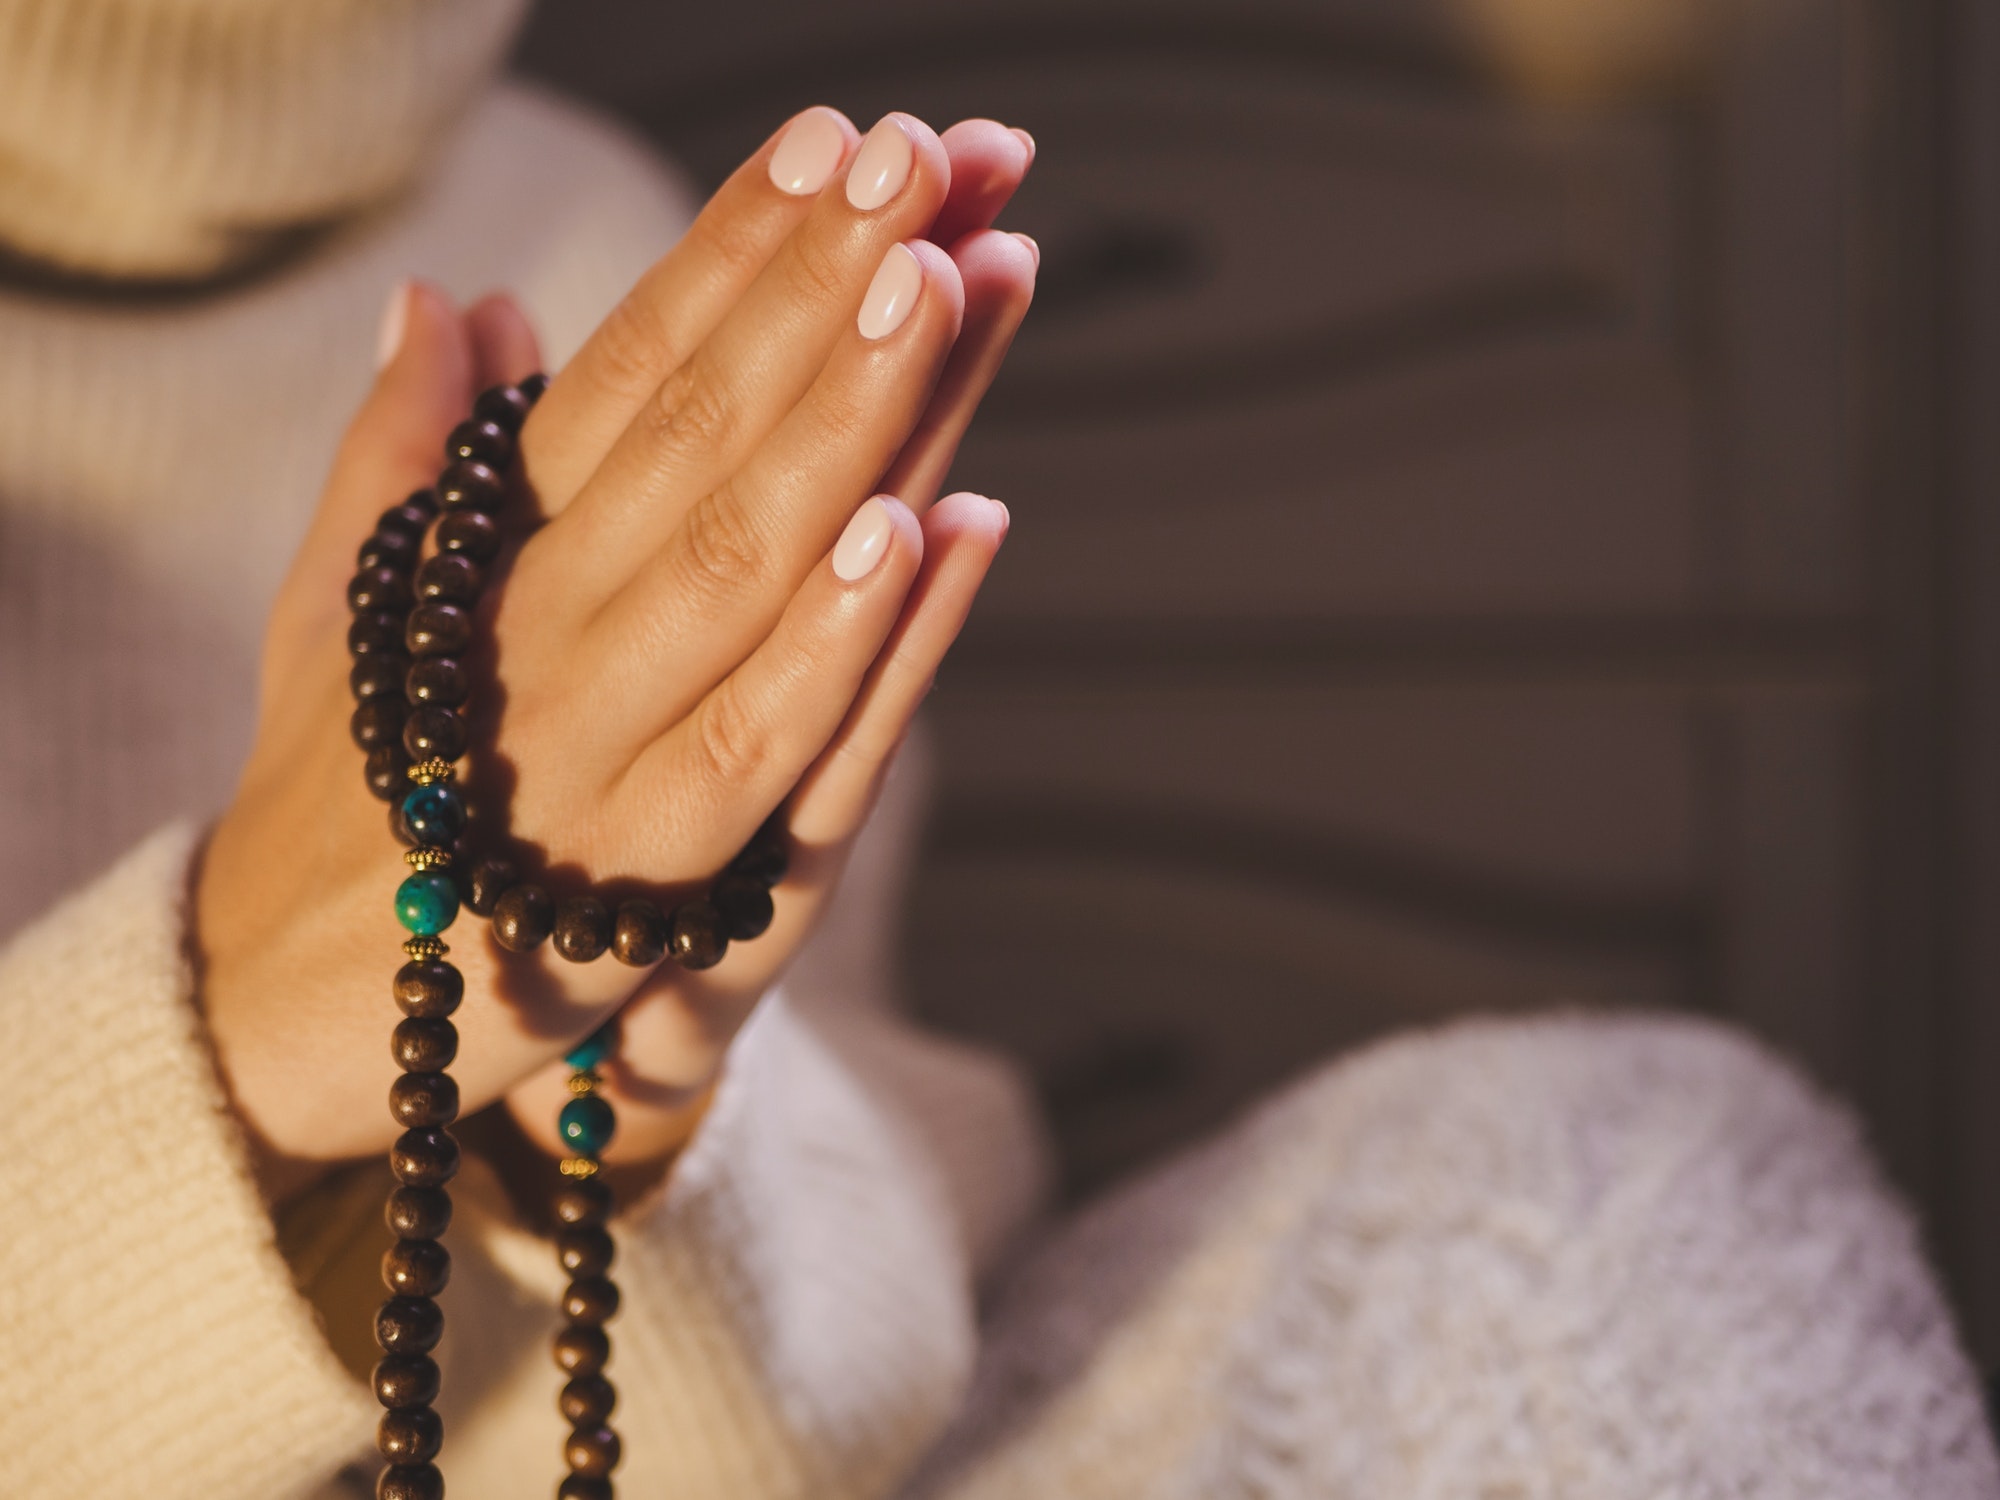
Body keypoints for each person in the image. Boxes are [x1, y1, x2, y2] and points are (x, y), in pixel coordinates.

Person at [0, 3, 1992, 1496]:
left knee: (1626, 1168)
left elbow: (739, 1436)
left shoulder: (601, 240)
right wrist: (235, 1021)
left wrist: (629, 1144)